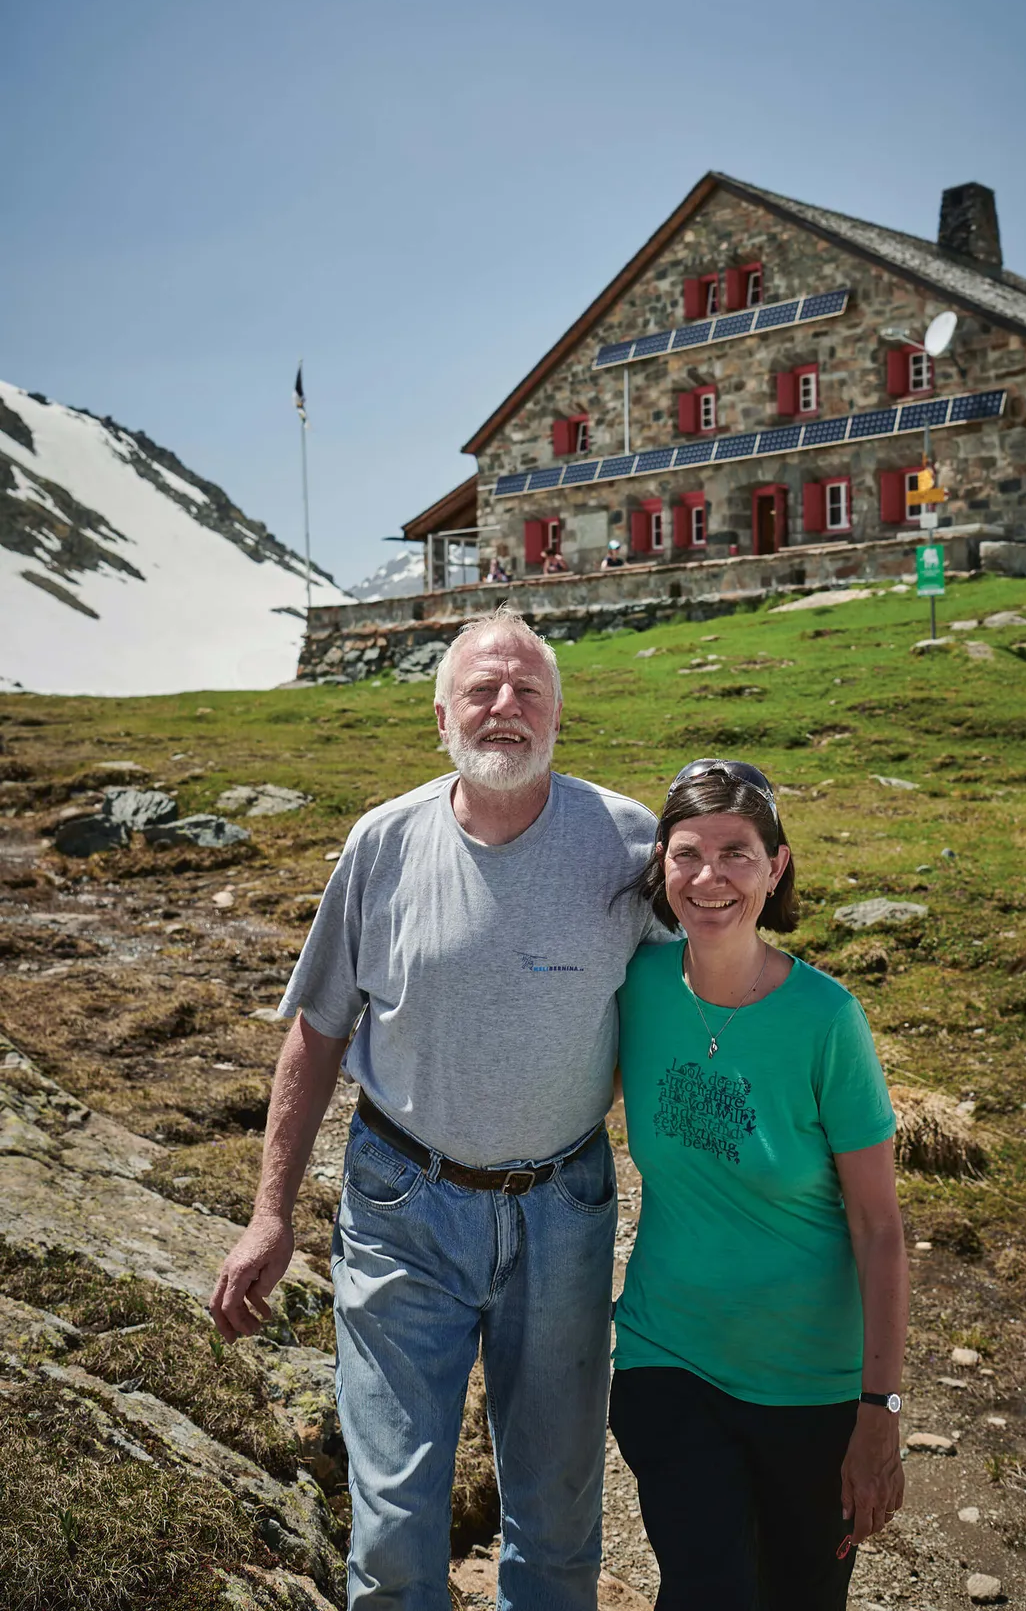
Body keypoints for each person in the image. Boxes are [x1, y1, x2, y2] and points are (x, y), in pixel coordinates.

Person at [209, 606, 664, 1611]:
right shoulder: (384, 842)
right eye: (483, 690)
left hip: (565, 1208)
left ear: (558, 714)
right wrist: (271, 1215)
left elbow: (694, 1008)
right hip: (400, 1203)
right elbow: (317, 1030)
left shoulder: (630, 845)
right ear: (443, 715)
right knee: (395, 1527)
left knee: (556, 1520)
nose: (506, 707)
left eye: (527, 691)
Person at [609, 758, 907, 1611]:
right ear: (660, 865)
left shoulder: (826, 1020)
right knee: (709, 1590)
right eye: (687, 854)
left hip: (811, 1389)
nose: (709, 878)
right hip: (668, 1360)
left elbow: (879, 1227)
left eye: (737, 853)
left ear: (776, 868)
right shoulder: (634, 991)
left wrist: (878, 1407)